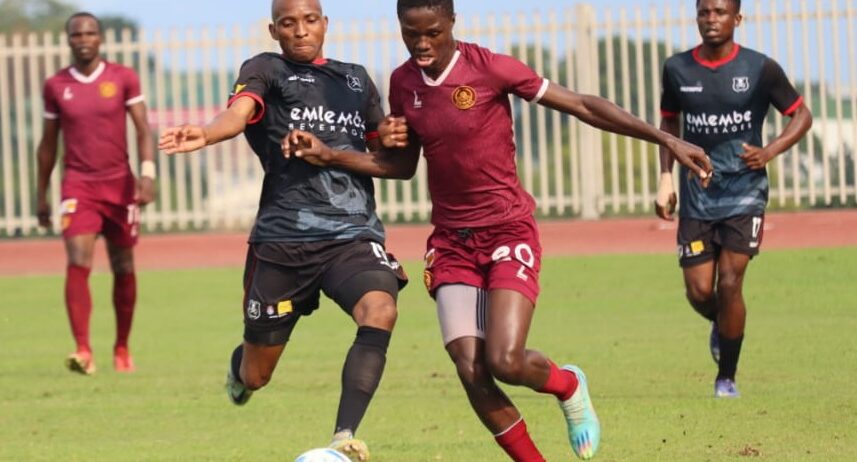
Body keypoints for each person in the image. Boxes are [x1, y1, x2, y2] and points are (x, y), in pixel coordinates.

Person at [283, 1, 713, 460]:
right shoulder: (403, 82)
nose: (422, 44)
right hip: (451, 243)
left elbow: (583, 104)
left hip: (508, 231)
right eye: (411, 33)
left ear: (452, 22)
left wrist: (666, 139)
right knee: (470, 368)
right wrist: (332, 155)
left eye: (432, 32)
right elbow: (403, 166)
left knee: (505, 360)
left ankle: (568, 385)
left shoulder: (491, 68)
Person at [158, 1, 407, 460]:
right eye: (288, 23)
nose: (300, 31)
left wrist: (392, 138)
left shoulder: (355, 79)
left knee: (380, 310)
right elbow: (238, 114)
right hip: (283, 242)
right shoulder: (265, 69)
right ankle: (239, 373)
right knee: (257, 375)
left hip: (352, 235)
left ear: (325, 24)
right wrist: (207, 134)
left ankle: (343, 437)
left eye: (310, 20)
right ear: (274, 30)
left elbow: (383, 155)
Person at [655, 0, 811, 398]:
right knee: (699, 292)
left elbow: (802, 115)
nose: (711, 19)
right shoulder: (677, 69)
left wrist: (770, 151)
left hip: (745, 192)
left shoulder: (760, 68)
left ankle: (726, 377)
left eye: (720, 12)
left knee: (729, 282)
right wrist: (665, 178)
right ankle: (722, 324)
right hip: (697, 194)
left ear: (737, 18)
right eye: (705, 12)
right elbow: (669, 123)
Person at [36, 12, 156, 375]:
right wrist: (41, 194)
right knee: (77, 259)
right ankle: (83, 350)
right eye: (77, 34)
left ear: (100, 38)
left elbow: (143, 129)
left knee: (123, 265)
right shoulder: (56, 85)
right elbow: (47, 144)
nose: (84, 39)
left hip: (119, 184)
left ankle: (122, 348)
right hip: (78, 185)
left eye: (90, 33)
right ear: (68, 40)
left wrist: (147, 174)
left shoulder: (123, 77)